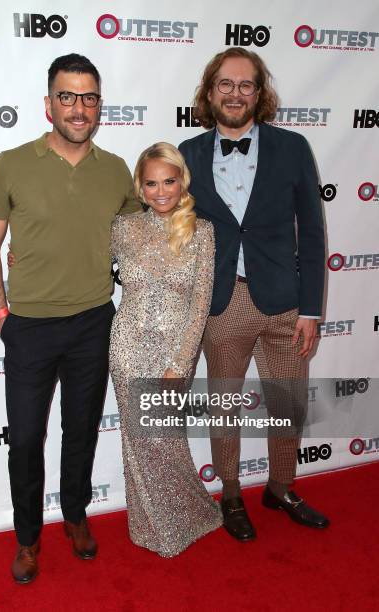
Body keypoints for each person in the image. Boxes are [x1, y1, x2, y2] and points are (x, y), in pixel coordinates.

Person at [0, 53, 140, 584]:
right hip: (29, 326)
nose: (78, 108)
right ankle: (27, 539)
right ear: (49, 104)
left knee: (81, 431)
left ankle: (74, 515)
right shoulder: (10, 162)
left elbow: (140, 241)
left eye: (88, 98)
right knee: (25, 439)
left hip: (95, 321)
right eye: (67, 97)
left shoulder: (117, 170)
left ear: (99, 107)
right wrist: (2, 315)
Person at [179, 47, 329, 542]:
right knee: (224, 404)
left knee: (288, 401)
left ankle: (281, 488)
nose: (235, 94)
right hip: (224, 303)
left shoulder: (293, 147)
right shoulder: (188, 154)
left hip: (286, 301)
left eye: (246, 85)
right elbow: (168, 229)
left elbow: (312, 229)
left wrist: (311, 309)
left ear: (260, 94)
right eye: (225, 84)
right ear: (209, 91)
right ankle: (230, 492)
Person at [109, 142, 223, 557]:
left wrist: (180, 362)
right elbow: (81, 262)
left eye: (169, 181)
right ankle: (149, 526)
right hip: (128, 345)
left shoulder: (202, 231)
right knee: (140, 439)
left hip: (175, 348)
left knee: (164, 437)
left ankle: (187, 513)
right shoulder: (122, 228)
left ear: (182, 181)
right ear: (140, 187)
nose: (161, 192)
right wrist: (24, 256)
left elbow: (200, 305)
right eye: (152, 183)